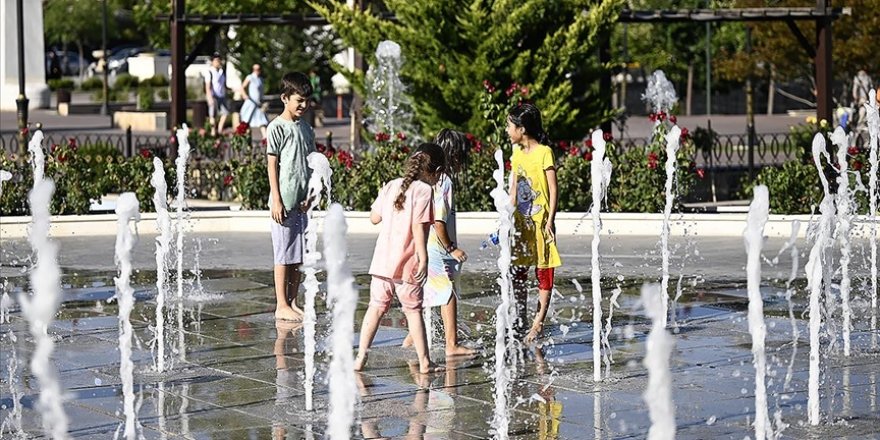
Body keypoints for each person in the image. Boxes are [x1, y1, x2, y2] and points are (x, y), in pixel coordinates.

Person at [354, 143, 447, 374]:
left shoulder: (392, 185)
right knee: (413, 311)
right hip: (407, 265)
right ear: (435, 171)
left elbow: (374, 218)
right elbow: (418, 228)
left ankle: (359, 358)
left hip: (382, 262)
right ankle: (425, 363)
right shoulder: (425, 192)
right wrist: (424, 260)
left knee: (375, 308)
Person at [402, 129, 475, 357]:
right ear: (454, 157)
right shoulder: (444, 182)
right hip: (439, 247)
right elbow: (440, 221)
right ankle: (451, 345)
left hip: (425, 244)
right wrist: (452, 248)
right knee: (448, 294)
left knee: (429, 295)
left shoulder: (425, 180)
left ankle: (411, 339)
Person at [507, 103, 562, 345]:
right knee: (518, 271)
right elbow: (513, 189)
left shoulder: (545, 153)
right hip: (522, 223)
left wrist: (550, 219)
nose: (507, 130)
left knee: (544, 271)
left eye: (510, 126)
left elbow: (553, 188)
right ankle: (520, 317)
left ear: (522, 128)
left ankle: (538, 322)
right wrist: (507, 219)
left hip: (542, 223)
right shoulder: (516, 153)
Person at [267, 72, 315, 322]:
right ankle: (281, 304)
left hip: (302, 203)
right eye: (299, 100)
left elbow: (313, 164)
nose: (304, 105)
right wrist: (276, 198)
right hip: (283, 203)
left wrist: (312, 196)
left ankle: (293, 301)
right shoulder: (276, 127)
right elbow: (272, 164)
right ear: (285, 98)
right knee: (283, 255)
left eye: (307, 101)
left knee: (299, 256)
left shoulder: (306, 128)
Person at [239, 63, 269, 138]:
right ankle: (247, 139)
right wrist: (245, 96)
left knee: (262, 120)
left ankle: (265, 138)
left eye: (258, 69)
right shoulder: (250, 77)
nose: (257, 71)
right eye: (255, 69)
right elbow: (242, 87)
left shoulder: (260, 79)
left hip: (258, 104)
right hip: (251, 103)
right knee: (246, 121)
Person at [205, 53, 229, 136]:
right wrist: (209, 97)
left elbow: (224, 85)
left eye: (219, 60)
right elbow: (207, 86)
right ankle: (213, 131)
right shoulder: (210, 72)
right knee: (212, 115)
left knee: (225, 113)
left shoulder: (222, 72)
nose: (218, 62)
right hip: (213, 95)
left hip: (221, 95)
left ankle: (219, 129)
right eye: (216, 60)